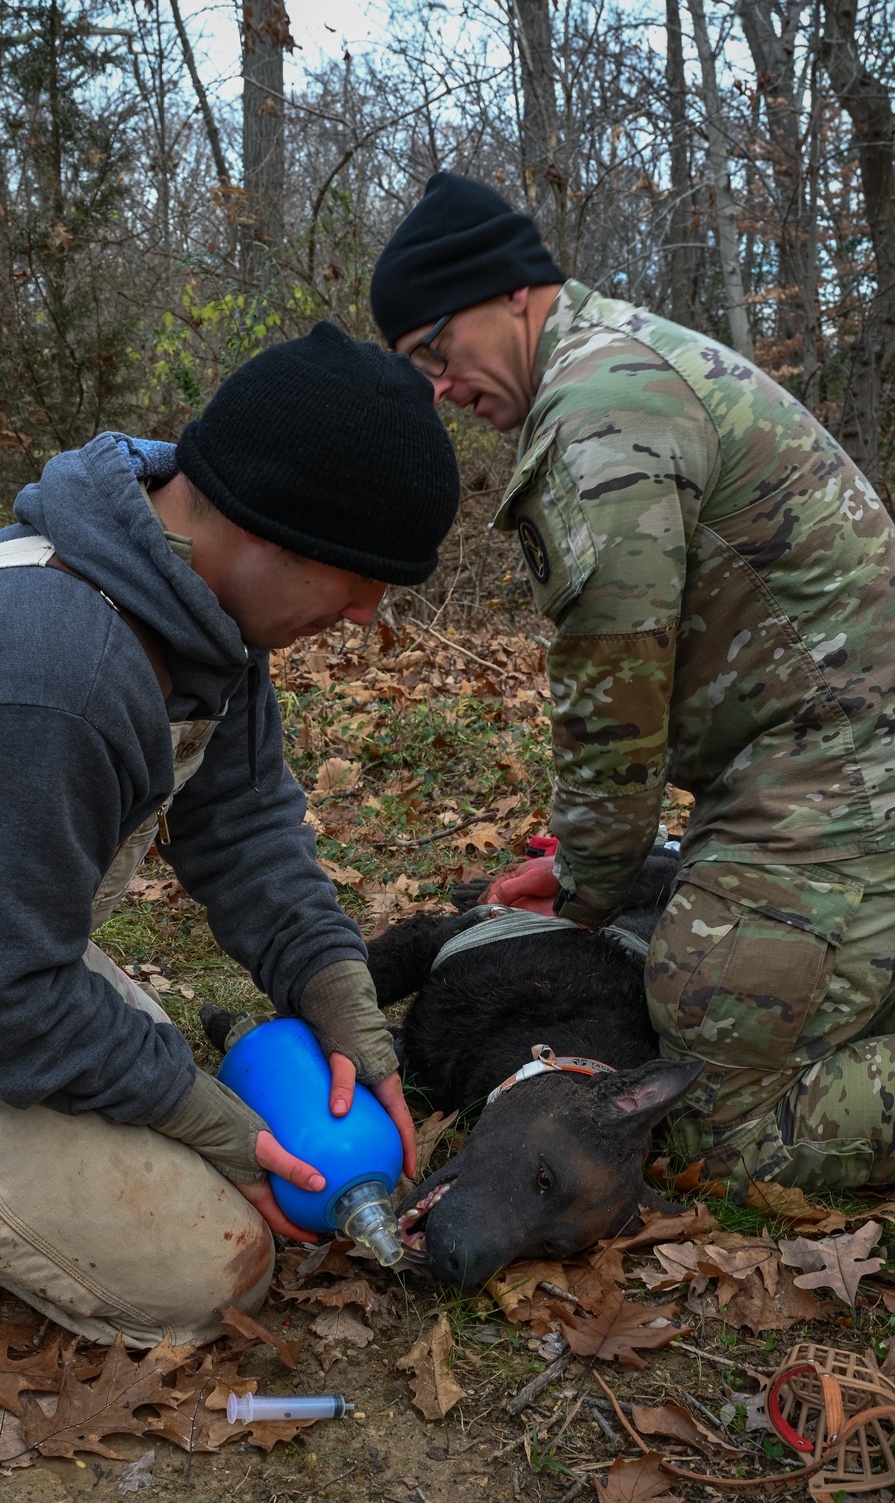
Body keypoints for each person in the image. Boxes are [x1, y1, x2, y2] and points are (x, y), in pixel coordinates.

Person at [0, 322, 459, 1345]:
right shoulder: (49, 668)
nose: (367, 611)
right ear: (262, 524)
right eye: (356, 574)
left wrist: (340, 995)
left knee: (227, 1149)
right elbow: (8, 1002)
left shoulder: (197, 606)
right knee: (216, 1268)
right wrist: (213, 1126)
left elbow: (241, 830)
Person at [371, 172, 895, 1194]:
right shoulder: (617, 366)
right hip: (817, 759)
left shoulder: (601, 406)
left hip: (837, 772)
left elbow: (614, 706)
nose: (438, 384)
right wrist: (573, 861)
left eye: (438, 350)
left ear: (512, 294)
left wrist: (587, 888)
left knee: (705, 1112)